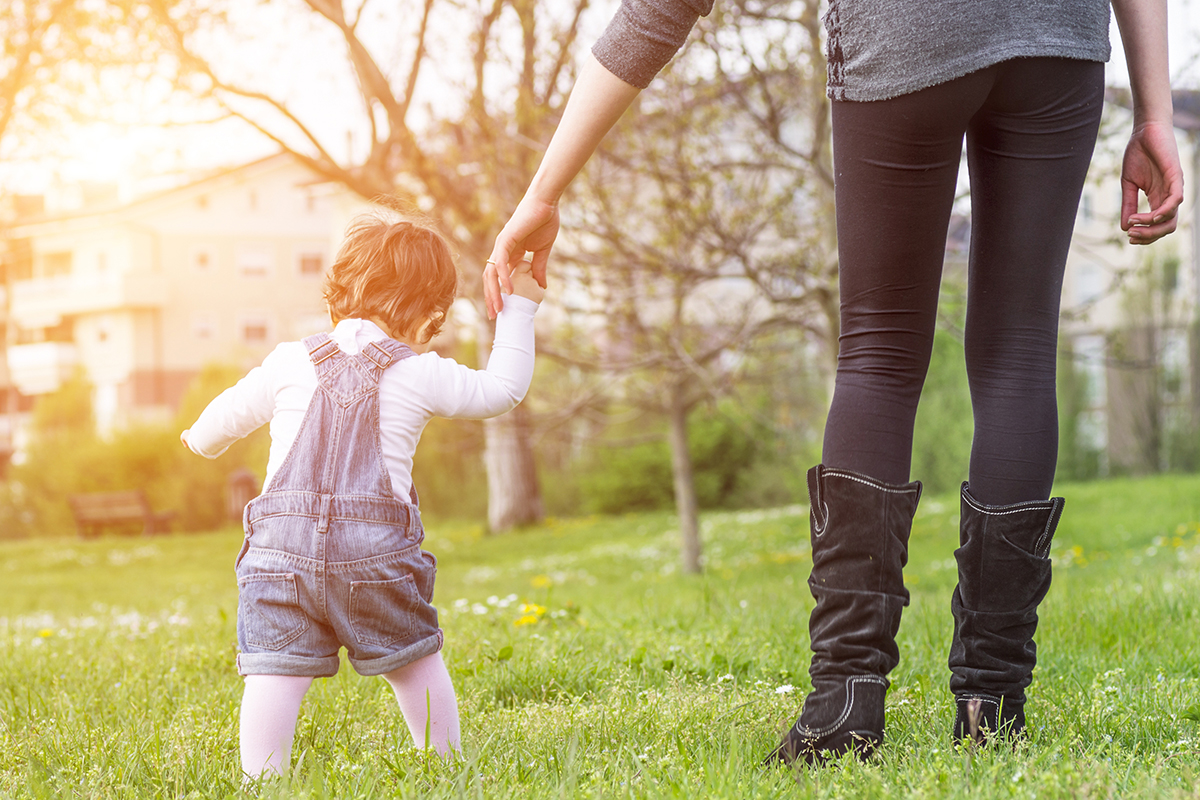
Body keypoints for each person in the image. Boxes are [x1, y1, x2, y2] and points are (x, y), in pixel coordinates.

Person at [483, 0, 1183, 766]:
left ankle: (846, 703)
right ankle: (992, 707)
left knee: (879, 355)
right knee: (1019, 352)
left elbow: (663, 8)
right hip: (1058, 36)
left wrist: (543, 191)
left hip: (904, 30)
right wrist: (1155, 112)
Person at [182, 214, 544, 779]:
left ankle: (262, 782)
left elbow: (211, 430)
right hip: (375, 558)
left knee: (274, 675)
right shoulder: (421, 371)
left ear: (340, 291)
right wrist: (518, 308)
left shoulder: (287, 360)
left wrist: (196, 440)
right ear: (430, 312)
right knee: (414, 660)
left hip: (279, 559)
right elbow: (502, 391)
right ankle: (444, 766)